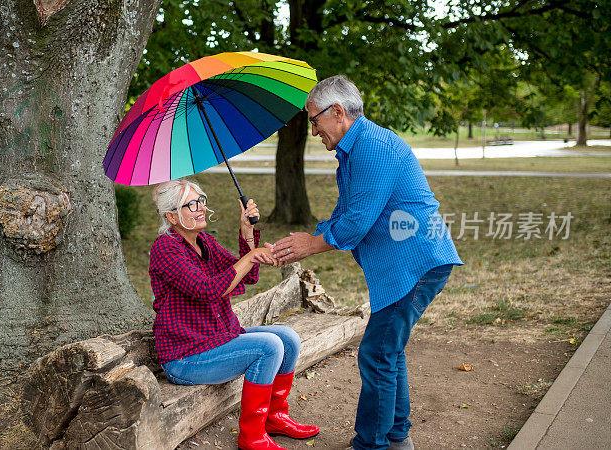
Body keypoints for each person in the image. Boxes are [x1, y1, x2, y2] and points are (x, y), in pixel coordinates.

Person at [270, 76, 463, 450]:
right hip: (405, 265)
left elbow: (357, 222)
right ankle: (395, 436)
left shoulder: (372, 148)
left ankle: (371, 444)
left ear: (338, 112)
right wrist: (310, 237)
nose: (313, 131)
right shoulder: (355, 151)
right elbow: (345, 213)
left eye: (314, 120)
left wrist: (311, 244)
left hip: (417, 263)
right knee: (387, 350)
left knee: (376, 354)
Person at [149, 179, 319, 450]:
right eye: (191, 204)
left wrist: (247, 232)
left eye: (201, 200)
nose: (201, 208)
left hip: (216, 339)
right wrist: (252, 257)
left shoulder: (203, 241)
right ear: (171, 216)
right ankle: (251, 436)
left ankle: (275, 417)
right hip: (186, 356)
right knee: (269, 347)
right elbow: (207, 290)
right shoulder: (165, 248)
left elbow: (246, 275)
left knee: (288, 338)